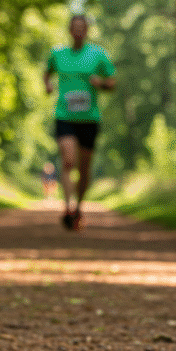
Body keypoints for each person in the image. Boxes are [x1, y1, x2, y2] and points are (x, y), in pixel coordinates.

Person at [44, 14, 116, 231]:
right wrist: (48, 85)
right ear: (69, 30)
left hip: (89, 119)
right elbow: (47, 73)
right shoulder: (58, 54)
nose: (78, 31)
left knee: (84, 168)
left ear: (86, 30)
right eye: (74, 27)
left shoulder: (98, 55)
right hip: (64, 116)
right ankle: (68, 208)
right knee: (68, 162)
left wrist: (101, 83)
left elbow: (112, 82)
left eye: (81, 27)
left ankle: (79, 208)